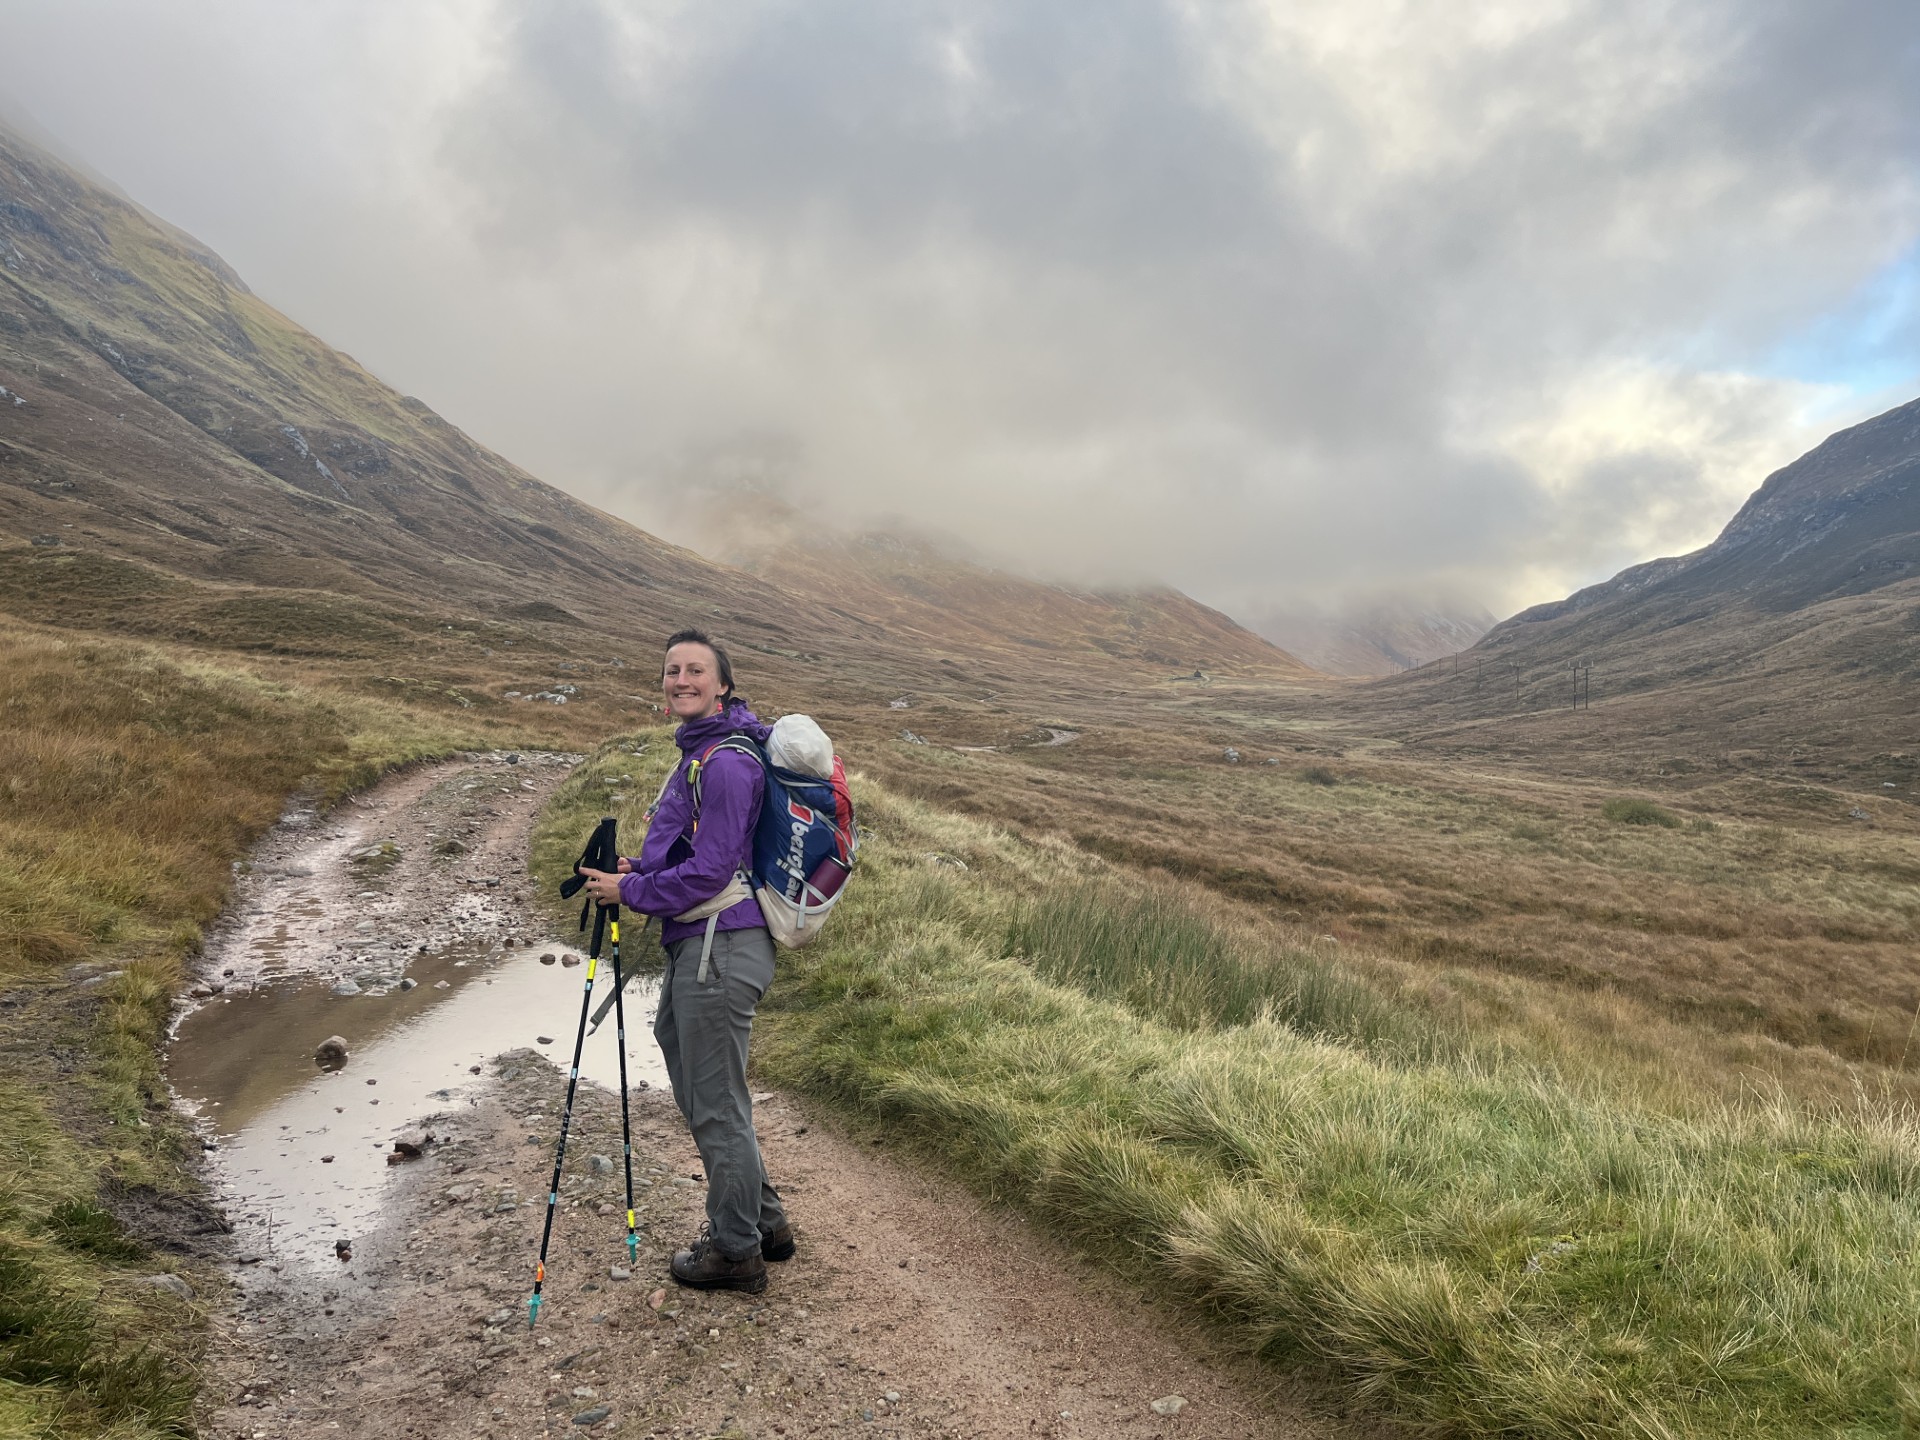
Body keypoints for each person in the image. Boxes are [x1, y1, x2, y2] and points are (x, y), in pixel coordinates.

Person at [576, 629, 792, 1294]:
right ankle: (765, 1223)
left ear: (722, 684)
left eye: (695, 670)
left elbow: (708, 872)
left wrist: (629, 891)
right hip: (701, 947)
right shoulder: (701, 752)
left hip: (718, 950)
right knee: (710, 1093)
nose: (680, 679)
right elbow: (690, 859)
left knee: (714, 1103)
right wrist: (637, 867)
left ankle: (735, 1252)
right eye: (672, 670)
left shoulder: (727, 762)